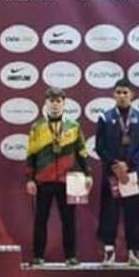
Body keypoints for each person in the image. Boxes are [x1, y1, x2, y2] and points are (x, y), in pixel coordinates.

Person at [25, 87, 93, 266]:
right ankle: (38, 256)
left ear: (64, 104)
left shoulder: (74, 126)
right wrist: (30, 179)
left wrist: (88, 174)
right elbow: (31, 154)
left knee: (68, 220)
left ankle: (71, 256)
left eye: (58, 101)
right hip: (43, 180)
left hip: (68, 180)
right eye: (51, 101)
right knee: (40, 220)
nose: (55, 105)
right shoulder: (37, 127)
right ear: (45, 103)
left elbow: (82, 152)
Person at [95, 78, 139, 266]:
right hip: (111, 174)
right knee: (109, 214)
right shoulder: (105, 117)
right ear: (113, 94)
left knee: (133, 213)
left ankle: (134, 253)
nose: (122, 96)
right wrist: (115, 164)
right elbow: (99, 146)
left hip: (131, 175)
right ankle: (109, 252)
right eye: (118, 92)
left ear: (132, 94)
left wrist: (129, 164)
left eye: (125, 92)